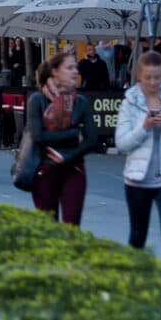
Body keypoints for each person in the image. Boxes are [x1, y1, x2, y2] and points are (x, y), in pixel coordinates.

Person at [115, 49, 161, 265]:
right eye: (148, 77)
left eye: (157, 77)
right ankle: (135, 282)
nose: (152, 82)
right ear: (139, 76)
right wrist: (144, 127)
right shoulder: (130, 101)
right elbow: (122, 143)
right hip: (137, 179)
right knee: (138, 235)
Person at [28, 52, 97, 226]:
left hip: (74, 169)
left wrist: (66, 156)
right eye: (69, 67)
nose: (76, 71)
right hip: (45, 169)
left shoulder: (80, 102)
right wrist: (74, 135)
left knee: (71, 228)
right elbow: (39, 136)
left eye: (76, 67)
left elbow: (91, 140)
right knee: (48, 229)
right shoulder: (37, 100)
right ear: (55, 72)